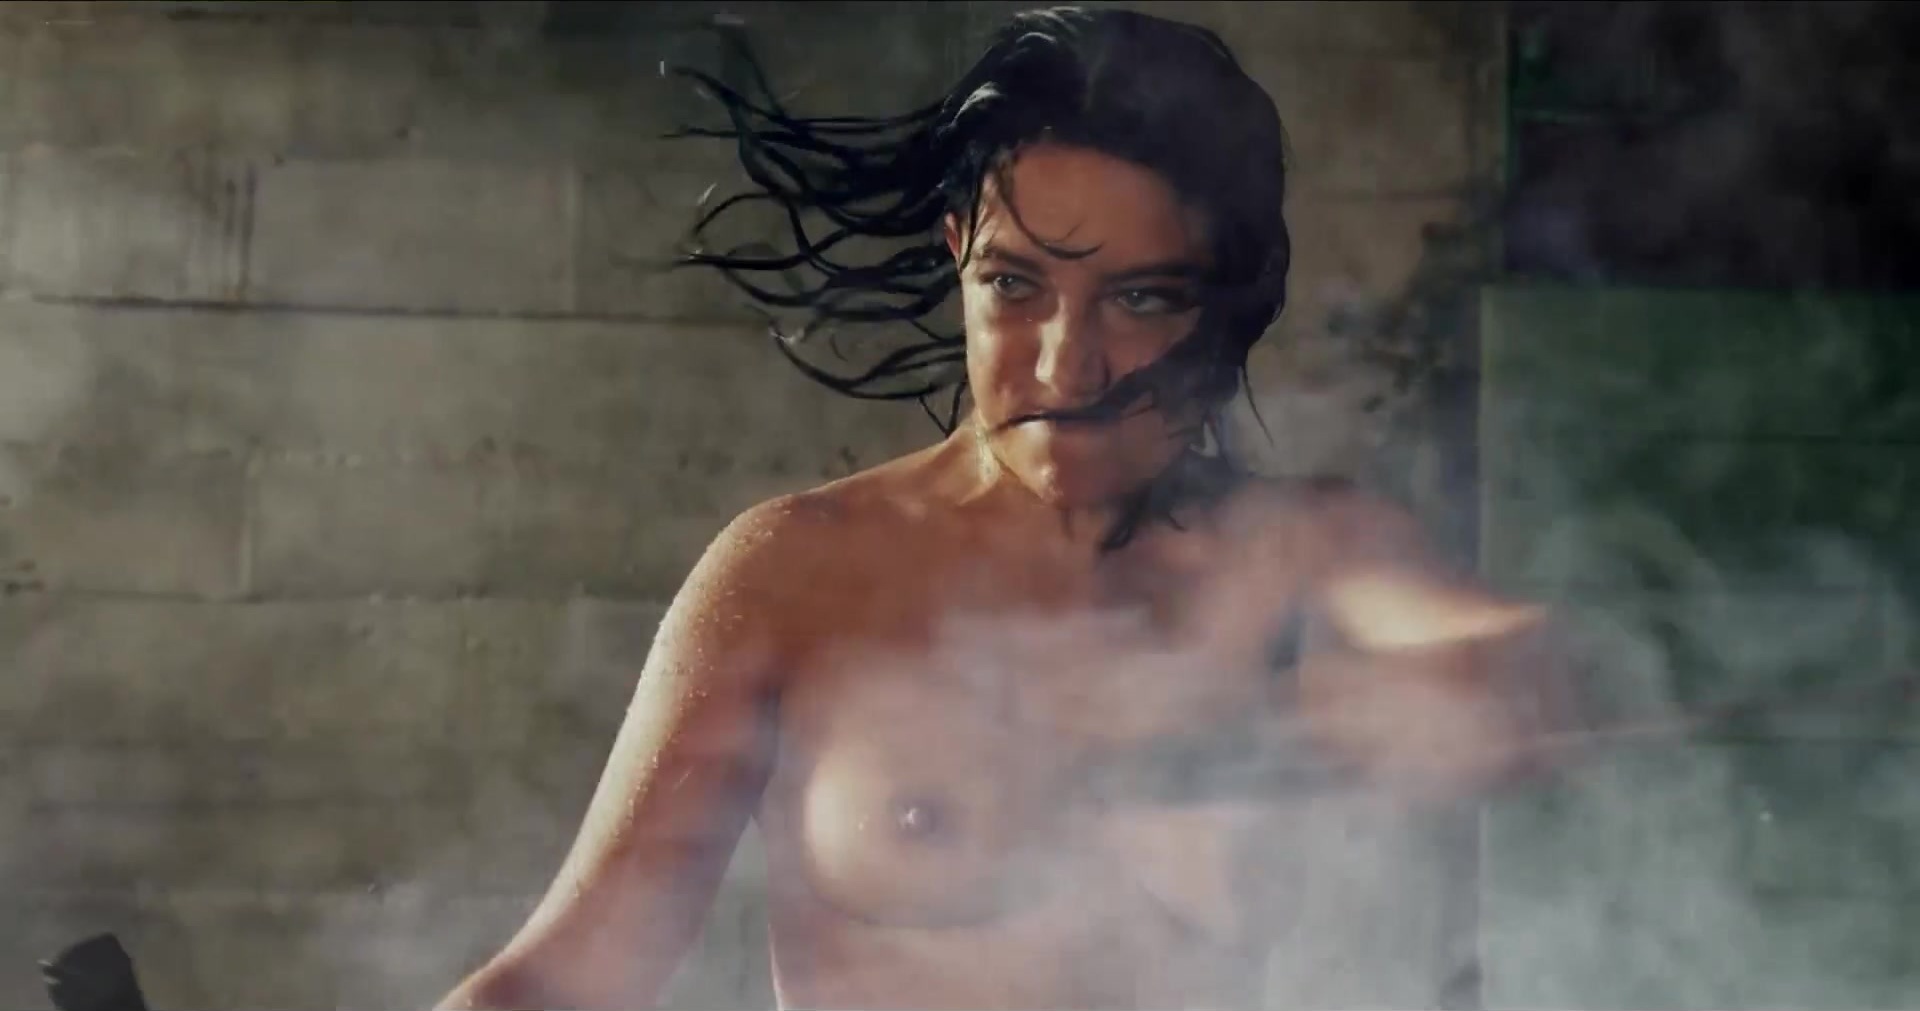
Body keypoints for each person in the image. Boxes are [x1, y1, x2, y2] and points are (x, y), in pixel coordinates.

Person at [437, 7, 1575, 1009]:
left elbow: (1525, 671)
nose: (1067, 366)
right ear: (958, 257)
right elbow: (562, 983)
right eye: (1015, 286)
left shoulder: (1301, 549)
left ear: (1223, 305)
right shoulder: (799, 570)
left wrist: (1265, 725)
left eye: (1139, 299)